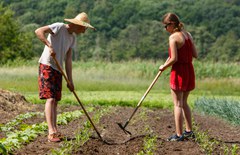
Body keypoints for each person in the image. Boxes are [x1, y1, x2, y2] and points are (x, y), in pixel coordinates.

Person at [35, 12, 95, 142]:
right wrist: (48, 45)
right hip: (47, 65)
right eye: (84, 27)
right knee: (50, 98)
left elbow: (68, 60)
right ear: (77, 25)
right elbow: (39, 31)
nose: (84, 31)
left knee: (55, 100)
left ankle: (55, 130)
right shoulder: (59, 27)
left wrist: (70, 80)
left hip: (58, 69)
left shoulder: (72, 38)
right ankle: (51, 132)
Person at [159, 13, 198, 141]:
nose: (165, 29)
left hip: (179, 72)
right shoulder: (188, 35)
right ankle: (189, 131)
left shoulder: (173, 38)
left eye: (165, 26)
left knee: (177, 104)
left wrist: (163, 67)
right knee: (184, 102)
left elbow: (174, 59)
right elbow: (195, 54)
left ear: (171, 24)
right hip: (189, 70)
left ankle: (179, 135)